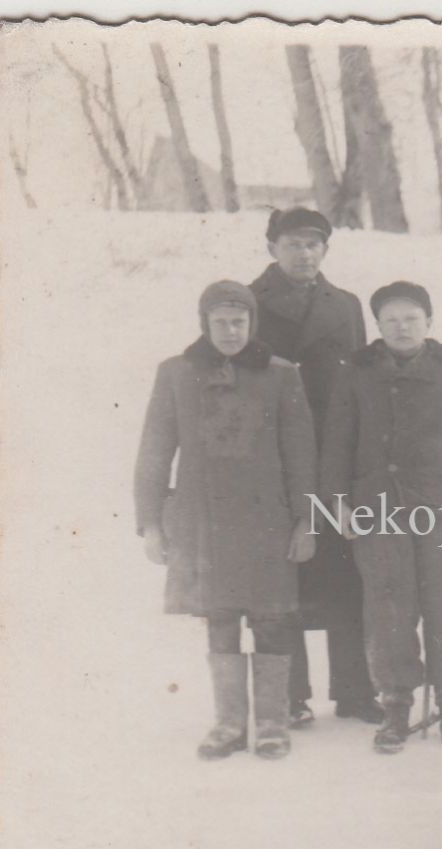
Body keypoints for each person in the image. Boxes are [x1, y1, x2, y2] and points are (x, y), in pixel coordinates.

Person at [134, 281, 317, 760]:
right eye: (220, 323)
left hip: (268, 519)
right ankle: (230, 723)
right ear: (204, 324)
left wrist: (306, 521)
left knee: (272, 618)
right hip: (203, 521)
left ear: (252, 323)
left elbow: (301, 456)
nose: (231, 331)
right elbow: (154, 452)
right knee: (219, 618)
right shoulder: (176, 373)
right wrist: (151, 523)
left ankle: (273, 722)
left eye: (239, 322)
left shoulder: (282, 376)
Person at [320, 282, 442, 754]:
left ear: (429, 323)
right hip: (377, 506)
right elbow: (338, 441)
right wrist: (338, 501)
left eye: (412, 318)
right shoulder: (356, 373)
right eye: (392, 319)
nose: (402, 327)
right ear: (378, 326)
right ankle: (396, 706)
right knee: (388, 605)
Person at [249, 207, 380, 728]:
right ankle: (291, 696)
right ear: (272, 248)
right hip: (276, 460)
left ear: (325, 249)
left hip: (335, 454)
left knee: (347, 573)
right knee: (285, 578)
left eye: (313, 244)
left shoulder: (345, 305)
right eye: (292, 243)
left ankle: (354, 690)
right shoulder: (249, 302)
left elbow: (361, 382)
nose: (304, 253)